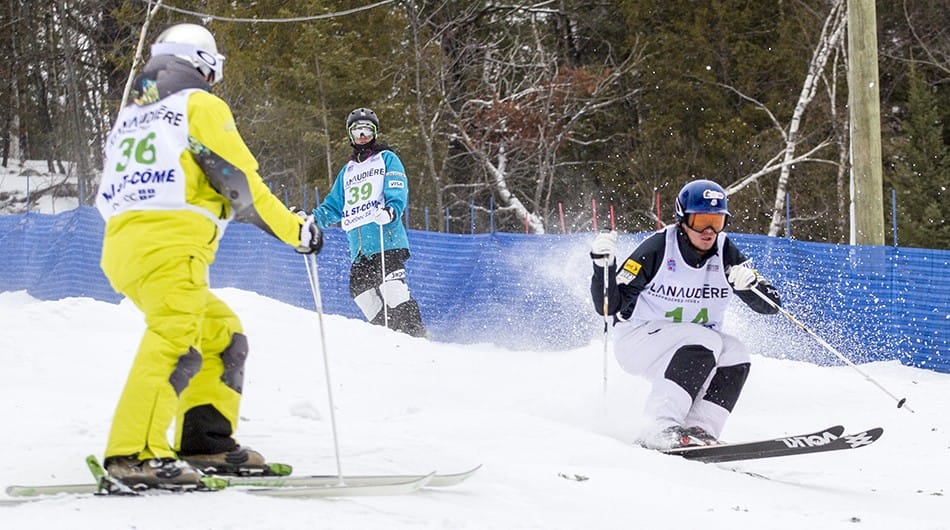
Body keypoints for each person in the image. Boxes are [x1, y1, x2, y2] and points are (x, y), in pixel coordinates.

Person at [95, 23, 323, 488]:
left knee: (221, 336)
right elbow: (242, 185)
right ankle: (133, 454)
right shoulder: (199, 105)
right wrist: (297, 231)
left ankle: (207, 444)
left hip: (126, 246)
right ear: (202, 64)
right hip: (170, 245)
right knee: (176, 341)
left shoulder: (134, 115)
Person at [589, 179, 781, 450]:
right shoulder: (658, 248)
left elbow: (771, 305)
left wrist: (751, 287)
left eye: (717, 221)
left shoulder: (725, 252)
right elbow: (610, 307)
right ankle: (659, 427)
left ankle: (699, 429)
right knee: (706, 340)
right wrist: (602, 267)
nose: (709, 231)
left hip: (689, 350)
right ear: (682, 219)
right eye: (701, 220)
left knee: (736, 353)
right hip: (639, 341)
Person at [312, 108, 426, 337]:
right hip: (360, 249)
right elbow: (334, 206)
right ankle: (390, 334)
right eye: (357, 131)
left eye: (367, 130)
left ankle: (416, 334)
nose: (362, 136)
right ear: (350, 136)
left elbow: (397, 188)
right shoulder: (348, 171)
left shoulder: (387, 159)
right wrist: (312, 219)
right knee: (362, 294)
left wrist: (391, 211)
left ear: (375, 133)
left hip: (387, 240)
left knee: (392, 289)